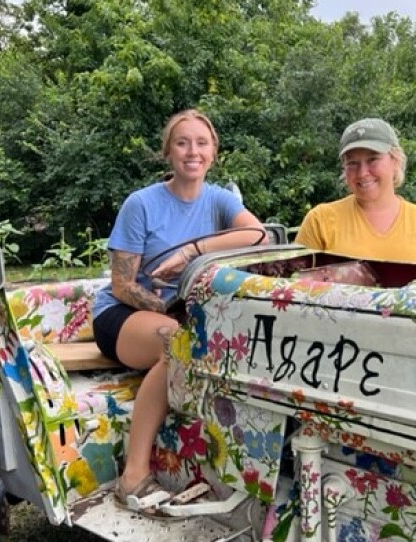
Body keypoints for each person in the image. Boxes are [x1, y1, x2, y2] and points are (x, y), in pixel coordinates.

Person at [92, 109, 267, 517]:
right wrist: (167, 307)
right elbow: (122, 285)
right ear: (168, 151)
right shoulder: (143, 204)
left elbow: (259, 235)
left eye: (202, 143)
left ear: (213, 152)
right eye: (183, 142)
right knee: (174, 341)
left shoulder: (218, 198)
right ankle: (132, 475)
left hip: (182, 316)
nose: (193, 151)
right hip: (124, 314)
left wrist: (193, 251)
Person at [295, 118, 416, 266]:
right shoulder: (320, 220)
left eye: (373, 159)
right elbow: (294, 288)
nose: (362, 173)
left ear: (395, 160)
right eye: (352, 163)